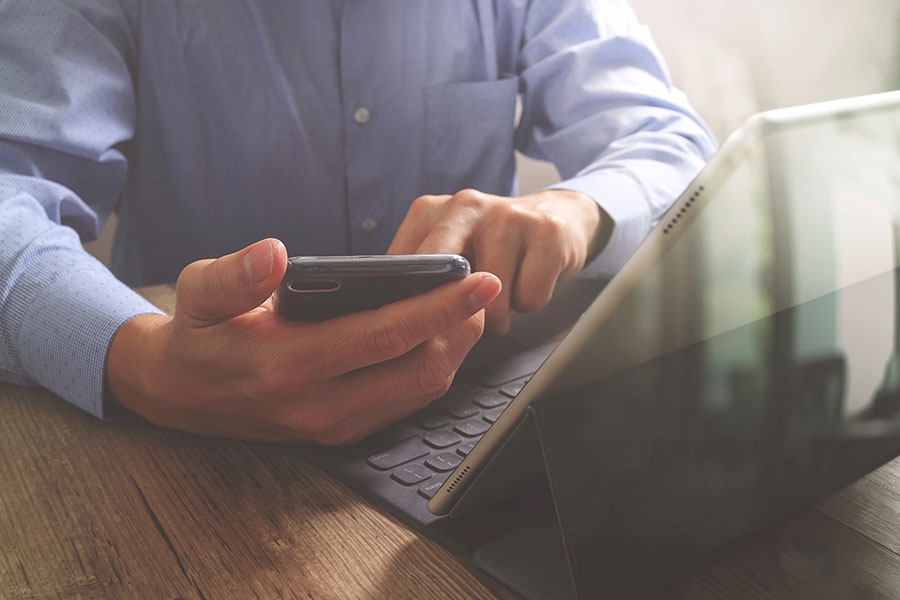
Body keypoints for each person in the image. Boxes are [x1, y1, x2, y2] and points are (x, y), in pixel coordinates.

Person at [0, 0, 716, 443]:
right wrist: (140, 363)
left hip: (467, 408)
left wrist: (577, 209)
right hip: (190, 448)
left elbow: (672, 143)